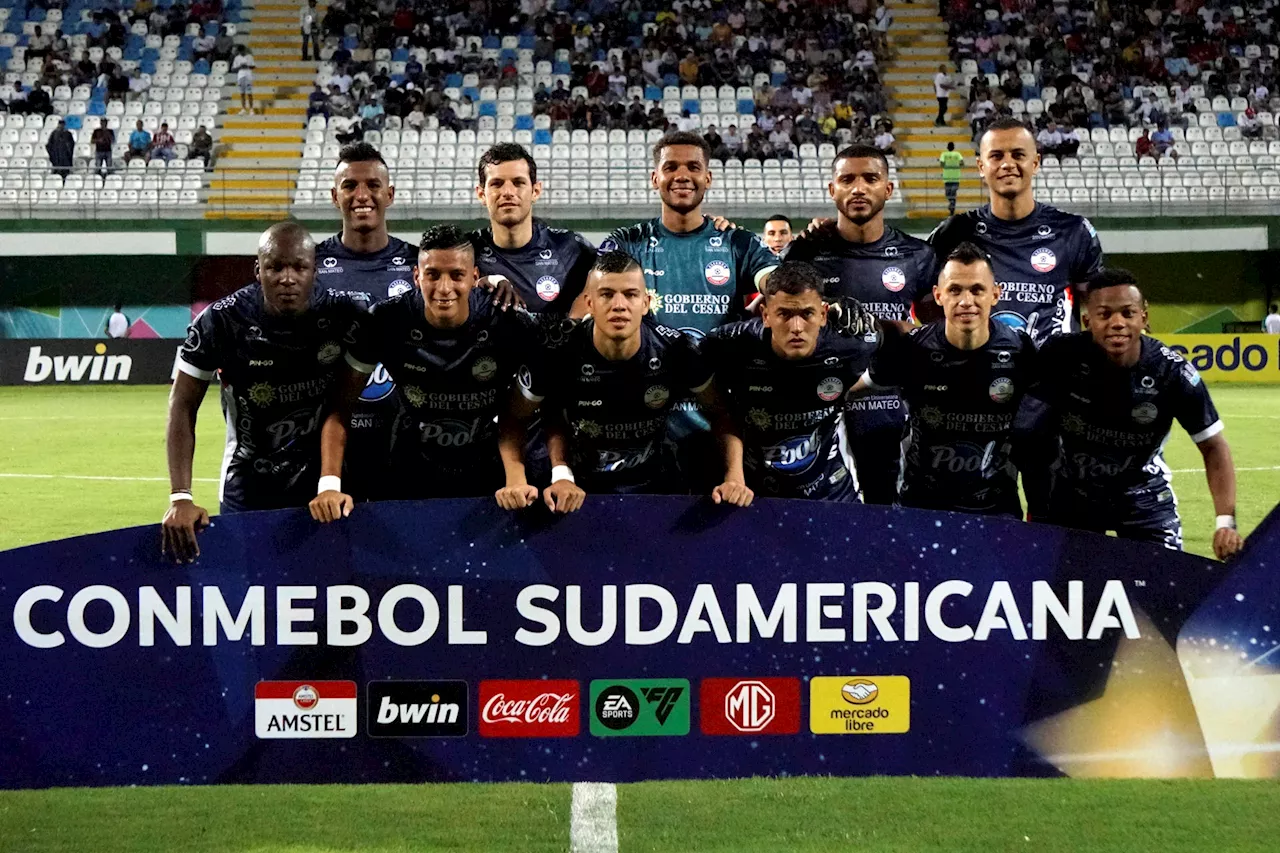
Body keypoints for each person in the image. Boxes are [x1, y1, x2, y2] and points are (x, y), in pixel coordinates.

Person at [316, 142, 516, 500]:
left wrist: (493, 282)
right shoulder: (309, 268)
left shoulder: (421, 262)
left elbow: (462, 286)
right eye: (350, 186)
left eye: (373, 186)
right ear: (335, 196)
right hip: (330, 439)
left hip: (404, 441)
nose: (362, 195)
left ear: (389, 194)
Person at [161, 223, 365, 562]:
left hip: (321, 486)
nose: (287, 278)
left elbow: (342, 404)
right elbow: (182, 404)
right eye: (275, 266)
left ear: (315, 270)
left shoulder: (343, 315)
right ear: (258, 270)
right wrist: (180, 497)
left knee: (326, 589)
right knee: (254, 596)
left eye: (299, 267)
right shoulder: (221, 322)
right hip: (248, 484)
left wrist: (330, 482)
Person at [311, 225, 543, 517]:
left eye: (456, 275)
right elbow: (341, 405)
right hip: (410, 474)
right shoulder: (386, 321)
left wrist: (518, 478)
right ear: (416, 277)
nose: (444, 288)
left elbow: (525, 411)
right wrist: (330, 485)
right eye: (433, 275)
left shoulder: (508, 322)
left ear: (474, 278)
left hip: (488, 477)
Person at [1016, 268, 1244, 560]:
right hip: (1074, 499)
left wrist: (1226, 522)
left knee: (1162, 597)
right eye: (1105, 314)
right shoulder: (1060, 355)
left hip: (1145, 499)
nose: (1117, 323)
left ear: (1144, 317)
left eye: (1127, 313)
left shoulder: (1172, 373)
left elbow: (1213, 447)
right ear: (1087, 321)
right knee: (1065, 597)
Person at [599, 131, 779, 489]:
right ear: (655, 179)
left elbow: (774, 281)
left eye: (693, 167)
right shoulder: (626, 242)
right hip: (642, 418)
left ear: (707, 178)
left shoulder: (737, 242)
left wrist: (798, 298)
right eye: (671, 167)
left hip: (718, 418)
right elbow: (597, 292)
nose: (682, 175)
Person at [507, 250, 749, 507]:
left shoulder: (677, 350)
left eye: (631, 295)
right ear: (589, 303)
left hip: (653, 487)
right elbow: (513, 417)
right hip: (574, 489)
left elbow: (722, 412)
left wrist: (734, 476)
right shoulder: (558, 350)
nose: (619, 305)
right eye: (607, 294)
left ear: (646, 303)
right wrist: (543, 476)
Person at [784, 144, 938, 505]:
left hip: (892, 405)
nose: (858, 188)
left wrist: (889, 332)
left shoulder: (917, 255)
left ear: (888, 188)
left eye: (870, 178)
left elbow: (936, 336)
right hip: (825, 404)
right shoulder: (806, 254)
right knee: (833, 517)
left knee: (894, 514)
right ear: (831, 189)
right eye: (847, 179)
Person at [851, 242, 1038, 517]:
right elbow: (853, 389)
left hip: (996, 510)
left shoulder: (1021, 350)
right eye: (955, 290)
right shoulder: (912, 349)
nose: (966, 301)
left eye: (977, 290)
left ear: (996, 294)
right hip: (920, 507)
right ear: (938, 295)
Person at [702, 261, 878, 501]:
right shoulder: (731, 345)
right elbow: (721, 411)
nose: (796, 327)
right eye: (784, 314)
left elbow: (897, 340)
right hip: (754, 493)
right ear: (765, 315)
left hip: (833, 494)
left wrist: (867, 381)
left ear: (824, 314)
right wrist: (734, 476)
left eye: (807, 313)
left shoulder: (852, 343)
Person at [928, 116, 1104, 345]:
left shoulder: (1073, 231)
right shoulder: (954, 232)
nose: (1007, 164)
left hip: (1053, 375)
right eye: (996, 156)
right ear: (981, 166)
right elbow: (921, 299)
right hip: (978, 374)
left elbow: (1100, 306)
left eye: (1018, 155)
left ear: (1036, 163)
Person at [469, 143, 595, 318]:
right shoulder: (467, 250)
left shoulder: (571, 249)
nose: (507, 192)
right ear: (481, 194)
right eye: (497, 184)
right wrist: (487, 281)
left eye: (518, 183)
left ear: (535, 191)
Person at [939, 141, 963, 216]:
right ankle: (952, 205)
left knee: (948, 193)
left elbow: (941, 163)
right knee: (953, 193)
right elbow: (962, 163)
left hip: (947, 176)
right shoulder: (957, 154)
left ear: (947, 147)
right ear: (953, 147)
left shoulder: (944, 154)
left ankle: (952, 206)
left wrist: (947, 166)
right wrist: (956, 167)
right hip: (956, 176)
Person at [233, 45, 255, 114]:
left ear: (244, 50)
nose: (242, 53)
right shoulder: (237, 58)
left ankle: (251, 109)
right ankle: (243, 108)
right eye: (240, 51)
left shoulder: (250, 57)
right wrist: (240, 66)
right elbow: (233, 69)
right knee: (242, 93)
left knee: (249, 93)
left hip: (248, 76)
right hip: (240, 76)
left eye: (243, 51)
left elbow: (253, 66)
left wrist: (247, 66)